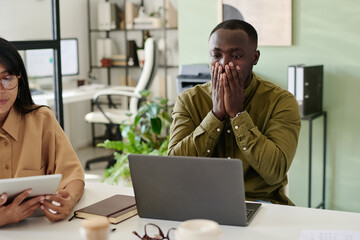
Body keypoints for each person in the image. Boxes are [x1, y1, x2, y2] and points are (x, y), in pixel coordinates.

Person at [168, 20, 301, 205]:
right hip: (201, 202)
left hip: (261, 204)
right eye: (216, 55)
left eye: (236, 56)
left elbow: (275, 172)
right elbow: (174, 169)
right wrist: (215, 115)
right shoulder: (188, 100)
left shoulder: (281, 101)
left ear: (255, 58)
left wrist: (238, 115)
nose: (224, 64)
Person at [0, 37, 84, 227]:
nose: (1, 90)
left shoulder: (41, 119)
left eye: (7, 78)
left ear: (19, 80)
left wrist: (68, 201)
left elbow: (73, 175)